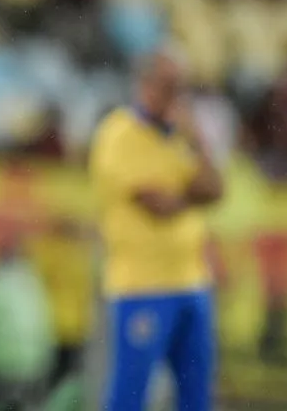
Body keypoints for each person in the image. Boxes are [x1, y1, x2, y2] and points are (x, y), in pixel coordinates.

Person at [88, 50, 224, 411]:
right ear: (144, 85)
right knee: (129, 396)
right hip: (141, 286)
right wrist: (194, 195)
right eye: (169, 86)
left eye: (182, 88)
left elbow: (217, 189)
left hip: (193, 281)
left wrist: (198, 143)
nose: (177, 97)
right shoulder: (118, 134)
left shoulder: (181, 138)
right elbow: (159, 207)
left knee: (196, 396)